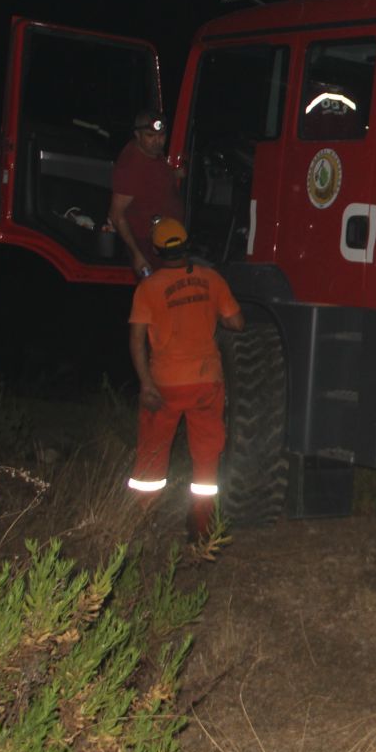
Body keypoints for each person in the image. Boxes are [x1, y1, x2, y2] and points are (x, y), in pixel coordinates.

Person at [128, 217, 244, 539]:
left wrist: (146, 383)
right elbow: (237, 323)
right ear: (186, 244)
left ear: (156, 250)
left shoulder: (148, 289)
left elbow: (136, 340)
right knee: (207, 458)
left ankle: (141, 523)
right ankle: (202, 526)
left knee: (151, 458)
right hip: (207, 382)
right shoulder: (211, 279)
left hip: (164, 385)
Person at [110, 110, 185, 278]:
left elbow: (152, 180)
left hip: (169, 240)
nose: (157, 141)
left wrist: (174, 175)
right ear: (137, 134)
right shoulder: (130, 167)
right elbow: (116, 215)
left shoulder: (153, 154)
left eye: (161, 135)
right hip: (148, 245)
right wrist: (137, 255)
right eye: (150, 135)